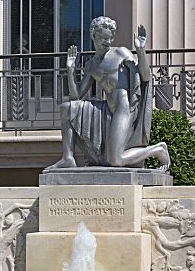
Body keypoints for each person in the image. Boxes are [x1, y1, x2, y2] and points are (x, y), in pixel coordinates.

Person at [47, 16, 170, 170]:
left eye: (111, 37)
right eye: (104, 38)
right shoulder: (92, 65)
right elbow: (76, 97)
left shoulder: (121, 53)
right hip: (106, 108)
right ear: (93, 35)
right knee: (66, 108)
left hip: (123, 108)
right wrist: (70, 71)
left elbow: (145, 76)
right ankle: (68, 157)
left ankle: (158, 150)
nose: (109, 41)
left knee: (116, 160)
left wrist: (141, 51)